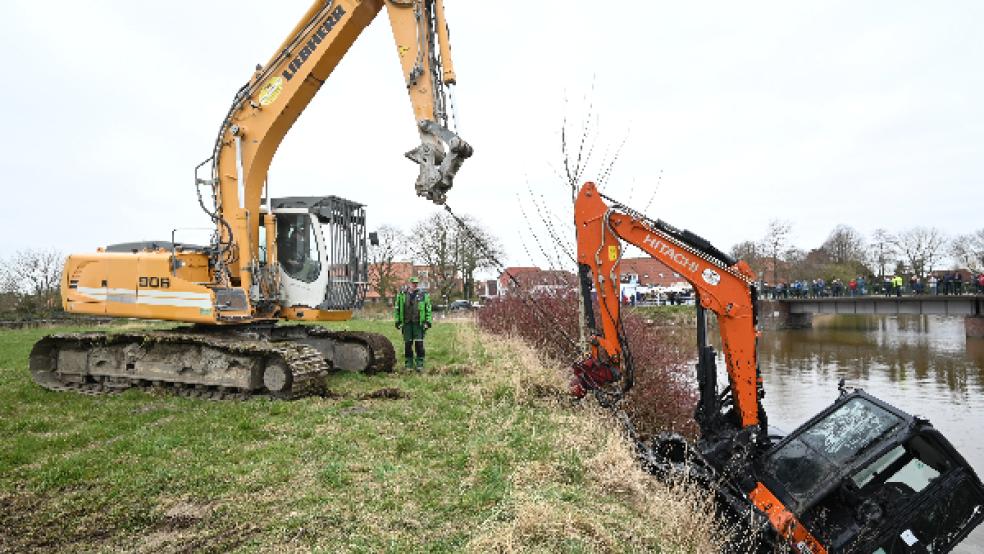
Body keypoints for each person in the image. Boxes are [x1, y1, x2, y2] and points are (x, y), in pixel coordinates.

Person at [394, 276, 433, 370]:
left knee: (419, 344)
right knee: (408, 345)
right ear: (409, 284)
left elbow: (428, 309)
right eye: (413, 283)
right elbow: (397, 309)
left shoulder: (423, 295)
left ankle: (420, 363)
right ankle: (409, 364)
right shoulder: (402, 294)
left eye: (416, 283)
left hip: (419, 324)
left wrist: (427, 321)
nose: (415, 285)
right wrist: (397, 321)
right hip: (406, 323)